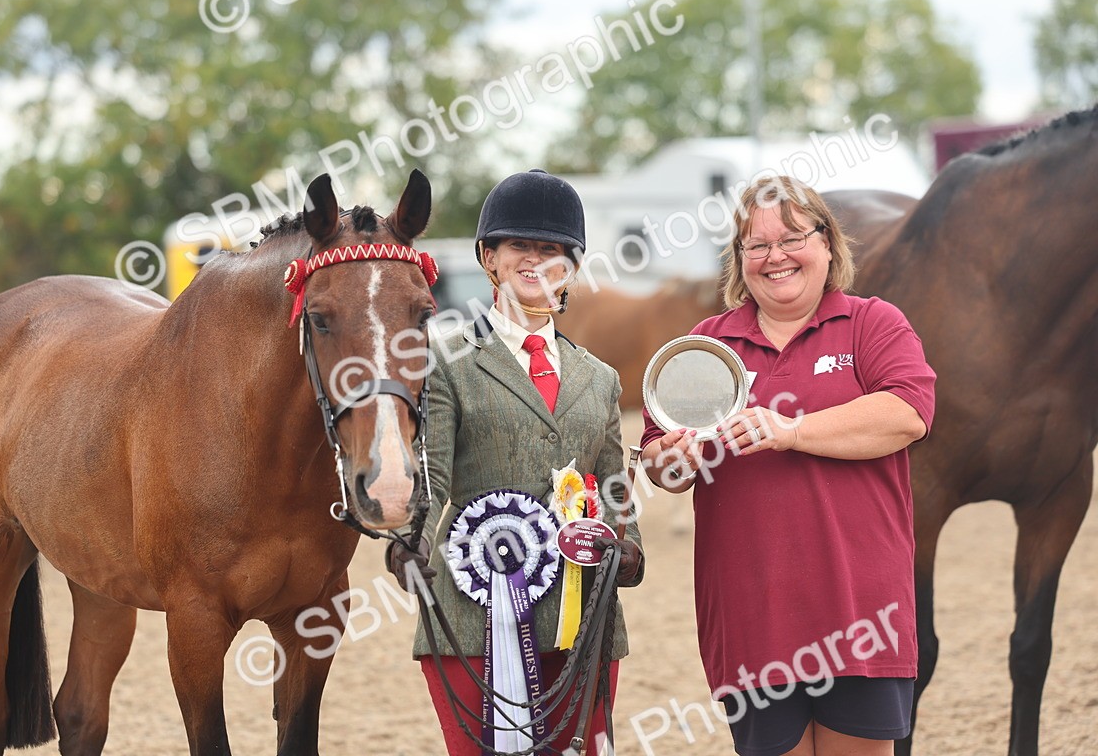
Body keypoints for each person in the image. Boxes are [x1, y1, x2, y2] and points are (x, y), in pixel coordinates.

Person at [640, 175, 935, 756]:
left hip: (861, 615)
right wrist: (670, 458)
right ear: (740, 260)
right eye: (756, 244)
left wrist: (791, 430)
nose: (775, 256)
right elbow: (662, 464)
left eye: (793, 237)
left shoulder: (872, 323)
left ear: (828, 244)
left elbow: (907, 413)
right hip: (753, 619)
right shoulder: (708, 343)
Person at [387, 168, 645, 755]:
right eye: (519, 247)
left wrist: (629, 547)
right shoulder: (446, 364)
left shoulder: (600, 378)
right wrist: (413, 540)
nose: (535, 261)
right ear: (489, 258)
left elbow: (613, 489)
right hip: (475, 617)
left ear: (571, 266)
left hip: (584, 620)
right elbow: (434, 475)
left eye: (551, 250)